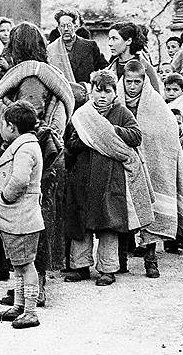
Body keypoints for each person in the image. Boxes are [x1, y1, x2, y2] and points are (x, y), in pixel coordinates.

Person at [0, 22, 74, 306]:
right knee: (35, 221)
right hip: (44, 158)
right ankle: (28, 285)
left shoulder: (30, 77)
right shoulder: (48, 74)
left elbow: (30, 121)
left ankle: (37, 288)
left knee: (32, 223)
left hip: (35, 160)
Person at [64, 70, 153, 286]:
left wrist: (110, 131)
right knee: (81, 223)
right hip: (83, 179)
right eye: (98, 90)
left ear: (115, 93)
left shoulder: (122, 113)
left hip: (111, 178)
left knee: (108, 224)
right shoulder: (82, 115)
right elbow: (71, 143)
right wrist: (90, 138)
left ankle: (108, 269)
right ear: (91, 91)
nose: (102, 95)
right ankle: (80, 267)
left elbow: (136, 136)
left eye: (108, 91)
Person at [117, 60, 183, 277]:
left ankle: (151, 257)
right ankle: (120, 258)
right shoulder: (115, 102)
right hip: (122, 163)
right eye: (129, 81)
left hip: (151, 165)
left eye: (137, 81)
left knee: (151, 207)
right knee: (120, 208)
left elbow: (167, 135)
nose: (132, 86)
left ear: (144, 81)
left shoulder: (156, 104)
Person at [0, 101, 44, 329]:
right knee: (19, 265)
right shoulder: (26, 145)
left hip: (21, 217)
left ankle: (30, 311)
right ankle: (19, 307)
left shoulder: (25, 148)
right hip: (19, 217)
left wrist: (5, 197)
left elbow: (20, 179)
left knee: (26, 266)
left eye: (2, 124)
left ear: (12, 127)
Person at [47, 8, 107, 84]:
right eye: (62, 26)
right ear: (58, 28)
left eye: (69, 26)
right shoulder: (51, 49)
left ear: (75, 27)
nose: (65, 29)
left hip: (85, 92)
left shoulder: (90, 46)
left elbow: (103, 69)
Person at [107, 22, 161, 92]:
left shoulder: (146, 68)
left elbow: (156, 97)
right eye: (109, 38)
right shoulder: (110, 69)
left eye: (115, 39)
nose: (110, 43)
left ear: (129, 41)